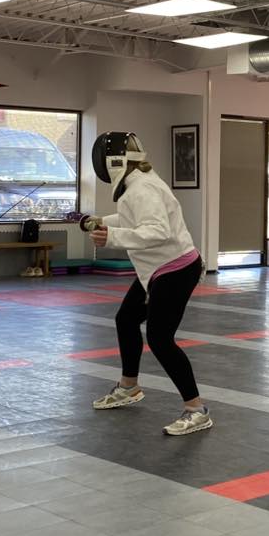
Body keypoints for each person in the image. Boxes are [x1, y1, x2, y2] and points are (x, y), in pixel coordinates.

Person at [82, 132, 210, 434]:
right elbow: (133, 218)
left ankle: (197, 410)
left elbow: (157, 230)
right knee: (126, 319)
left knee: (160, 339)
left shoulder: (141, 188)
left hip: (175, 269)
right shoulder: (138, 183)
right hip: (158, 269)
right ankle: (129, 386)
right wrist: (102, 221)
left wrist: (111, 237)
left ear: (112, 162)